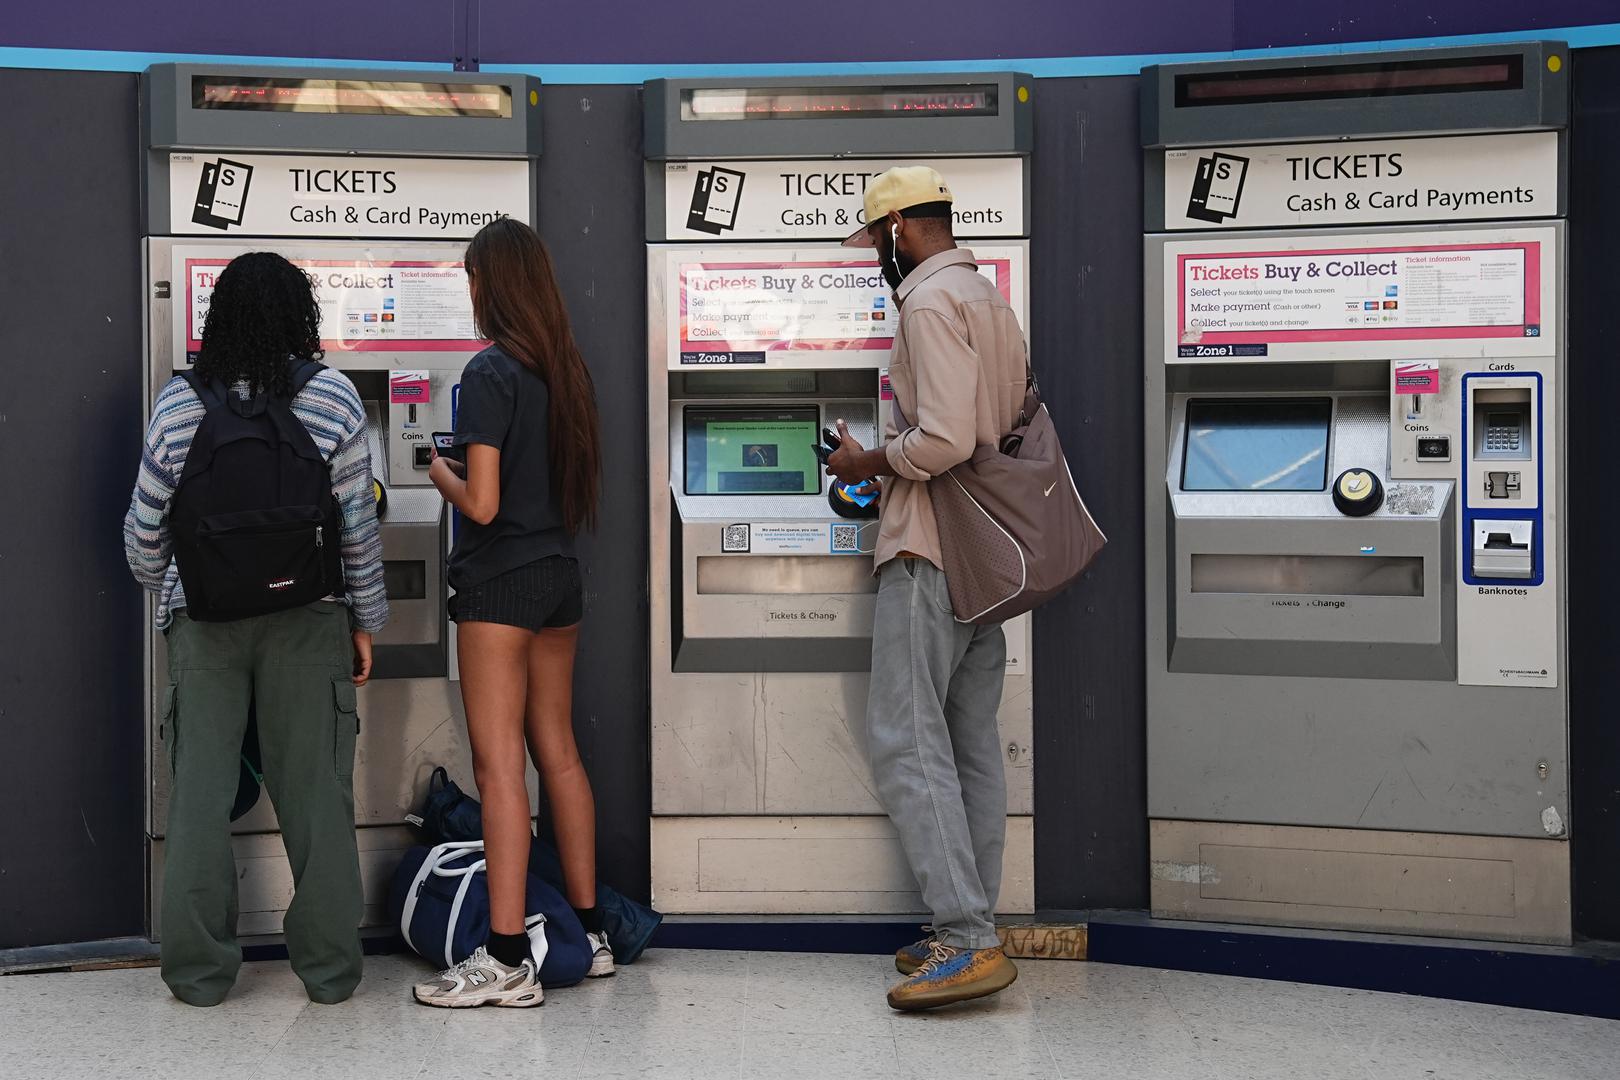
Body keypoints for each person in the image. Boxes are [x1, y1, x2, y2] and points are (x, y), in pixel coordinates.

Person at [124, 252, 388, 1007]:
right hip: (308, 621)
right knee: (316, 796)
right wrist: (365, 621)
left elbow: (143, 532)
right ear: (299, 318)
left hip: (204, 624)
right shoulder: (333, 398)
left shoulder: (179, 406)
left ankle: (202, 977)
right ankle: (331, 973)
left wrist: (173, 593)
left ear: (219, 320)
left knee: (200, 799)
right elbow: (357, 528)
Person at [826, 167, 1027, 1011]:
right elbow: (994, 429)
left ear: (903, 226)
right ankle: (967, 925)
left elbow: (944, 437)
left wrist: (866, 460)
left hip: (932, 546)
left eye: (876, 236)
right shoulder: (990, 299)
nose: (876, 252)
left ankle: (970, 940)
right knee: (968, 740)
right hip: (988, 550)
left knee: (907, 741)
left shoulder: (925, 303)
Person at [412, 218, 610, 1008]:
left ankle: (503, 959)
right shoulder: (566, 371)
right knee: (556, 750)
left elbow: (484, 504)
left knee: (499, 766)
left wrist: (440, 474)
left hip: (499, 585)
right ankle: (592, 936)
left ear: (488, 284)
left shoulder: (491, 372)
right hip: (559, 575)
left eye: (470, 279)